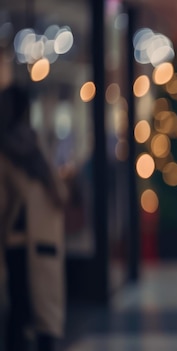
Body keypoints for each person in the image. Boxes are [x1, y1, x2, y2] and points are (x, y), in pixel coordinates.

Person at [0, 82, 67, 350]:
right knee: (32, 310)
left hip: (30, 237)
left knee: (29, 309)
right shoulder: (29, 145)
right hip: (30, 236)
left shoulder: (19, 145)